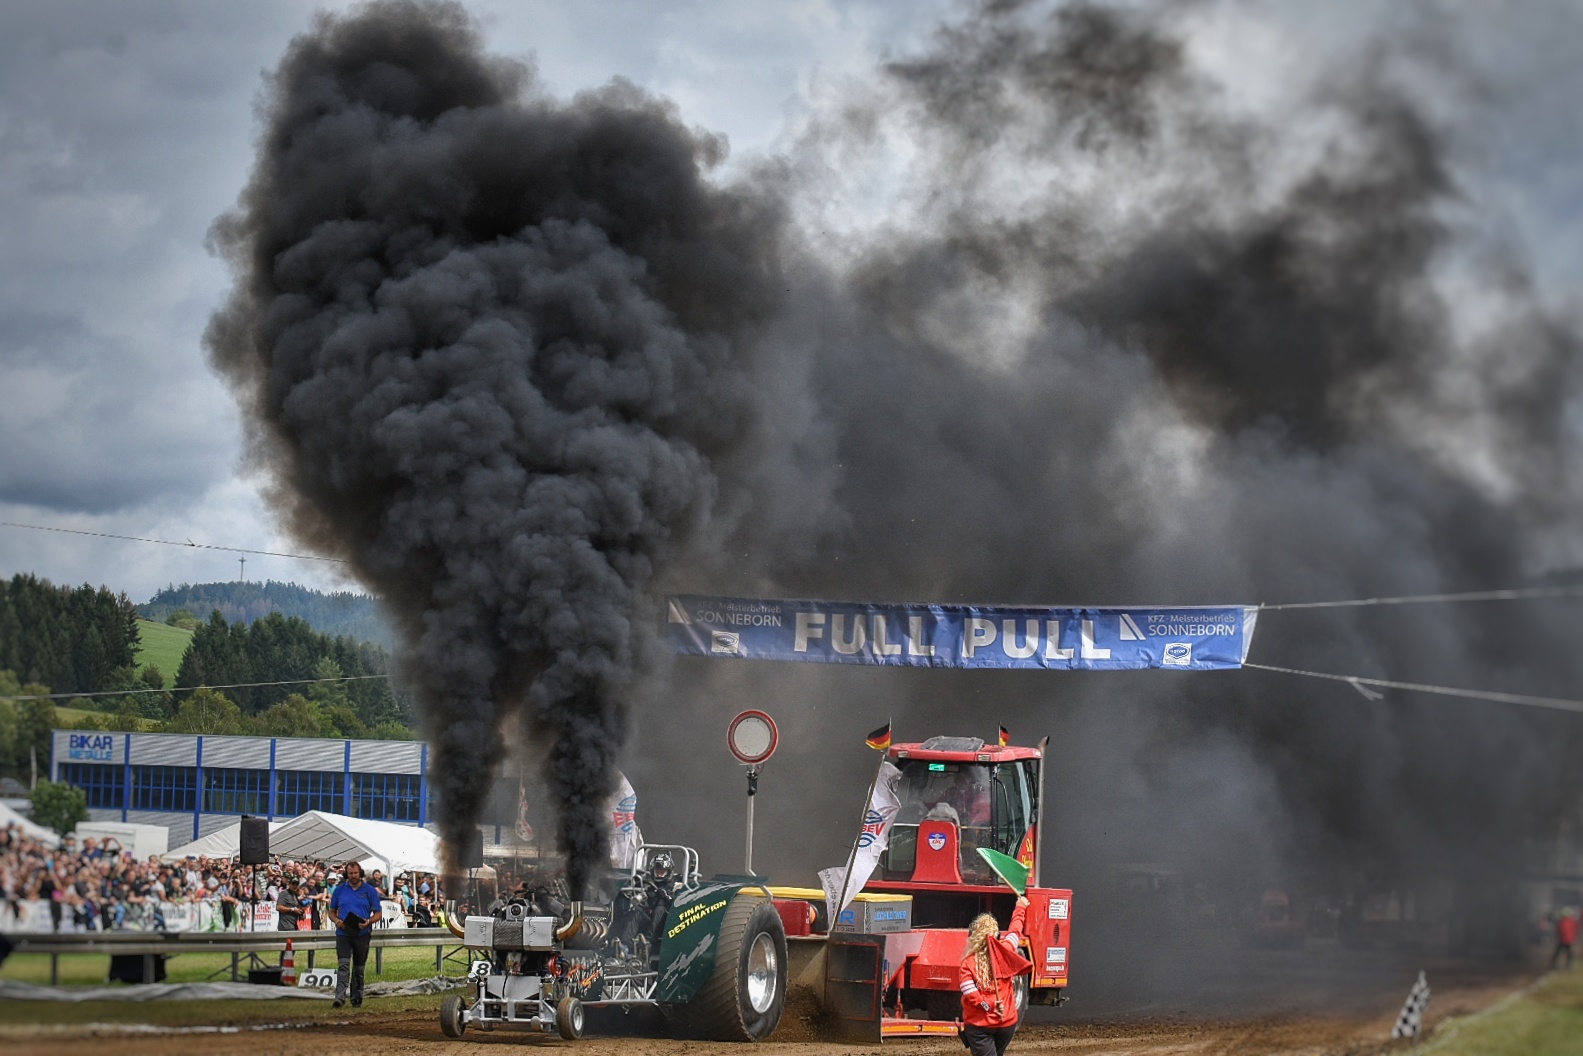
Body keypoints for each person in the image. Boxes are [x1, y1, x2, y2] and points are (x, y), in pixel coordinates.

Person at [957, 896, 1031, 1056]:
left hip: (979, 1026)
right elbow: (1015, 931)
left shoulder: (968, 963)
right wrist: (1020, 907)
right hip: (1007, 1024)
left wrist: (988, 1006)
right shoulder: (1007, 950)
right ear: (997, 936)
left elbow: (970, 994)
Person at [328, 861, 383, 1008]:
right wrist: (336, 921)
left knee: (359, 968)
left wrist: (368, 921)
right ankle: (339, 997)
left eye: (355, 873)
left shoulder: (370, 890)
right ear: (347, 874)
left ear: (360, 873)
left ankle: (357, 997)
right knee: (343, 965)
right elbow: (331, 912)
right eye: (350, 873)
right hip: (343, 933)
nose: (353, 876)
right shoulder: (339, 890)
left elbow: (378, 913)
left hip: (362, 933)